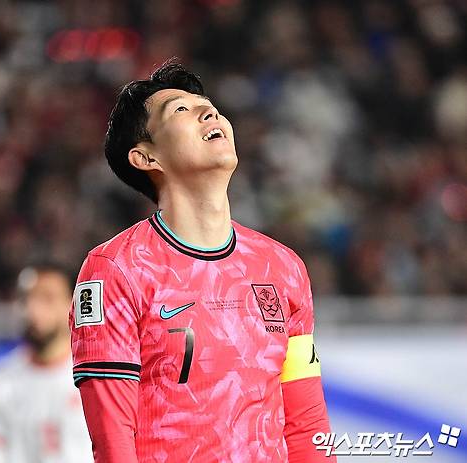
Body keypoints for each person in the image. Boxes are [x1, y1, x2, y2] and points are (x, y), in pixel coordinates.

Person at [69, 62, 336, 463]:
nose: (209, 112)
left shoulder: (283, 267)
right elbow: (113, 440)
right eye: (180, 109)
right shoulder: (115, 270)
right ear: (146, 157)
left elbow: (307, 424)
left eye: (208, 106)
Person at [0, 263, 93, 463]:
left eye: (47, 298)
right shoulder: (0, 380)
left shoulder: (94, 376)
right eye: (26, 298)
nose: (33, 309)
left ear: (72, 304)